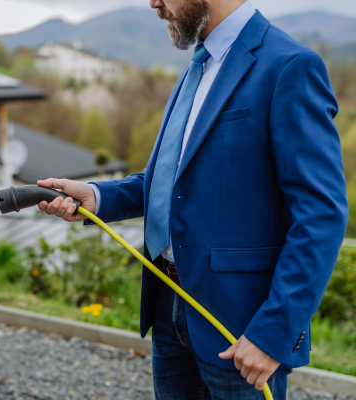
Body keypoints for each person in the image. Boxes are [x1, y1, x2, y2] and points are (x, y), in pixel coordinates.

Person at [36, 0, 349, 399]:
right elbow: (169, 182)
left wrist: (273, 332)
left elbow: (321, 215)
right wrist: (97, 196)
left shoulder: (290, 66)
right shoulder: (196, 68)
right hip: (168, 307)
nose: (154, 3)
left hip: (240, 328)